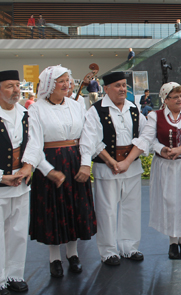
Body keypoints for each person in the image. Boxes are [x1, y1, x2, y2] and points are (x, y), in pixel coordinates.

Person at [20, 65, 97, 278]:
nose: (67, 84)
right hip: (50, 160)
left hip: (74, 160)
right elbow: (34, 143)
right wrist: (47, 170)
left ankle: (73, 254)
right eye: (61, 81)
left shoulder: (76, 105)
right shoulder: (36, 108)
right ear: (49, 85)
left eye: (68, 80)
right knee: (53, 210)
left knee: (74, 207)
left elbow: (87, 135)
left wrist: (85, 163)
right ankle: (54, 258)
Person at [124, 82, 181, 259]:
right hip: (166, 167)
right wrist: (161, 149)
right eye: (175, 97)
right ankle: (173, 242)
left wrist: (180, 148)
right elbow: (149, 139)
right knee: (171, 203)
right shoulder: (155, 116)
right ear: (165, 99)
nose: (179, 99)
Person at [79, 72, 147, 266]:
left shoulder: (134, 108)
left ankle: (129, 247)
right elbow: (92, 139)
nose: (123, 89)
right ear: (106, 88)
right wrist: (110, 161)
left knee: (131, 208)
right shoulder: (96, 110)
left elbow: (144, 136)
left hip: (131, 167)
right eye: (117, 85)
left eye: (125, 85)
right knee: (107, 210)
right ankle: (108, 251)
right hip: (107, 168)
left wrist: (128, 161)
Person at [0, 70, 32, 294]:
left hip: (21, 184)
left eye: (17, 85)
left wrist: (29, 165)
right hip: (1, 184)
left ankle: (14, 275)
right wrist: (2, 176)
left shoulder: (24, 114)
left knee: (18, 232)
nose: (15, 90)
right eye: (9, 86)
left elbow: (34, 144)